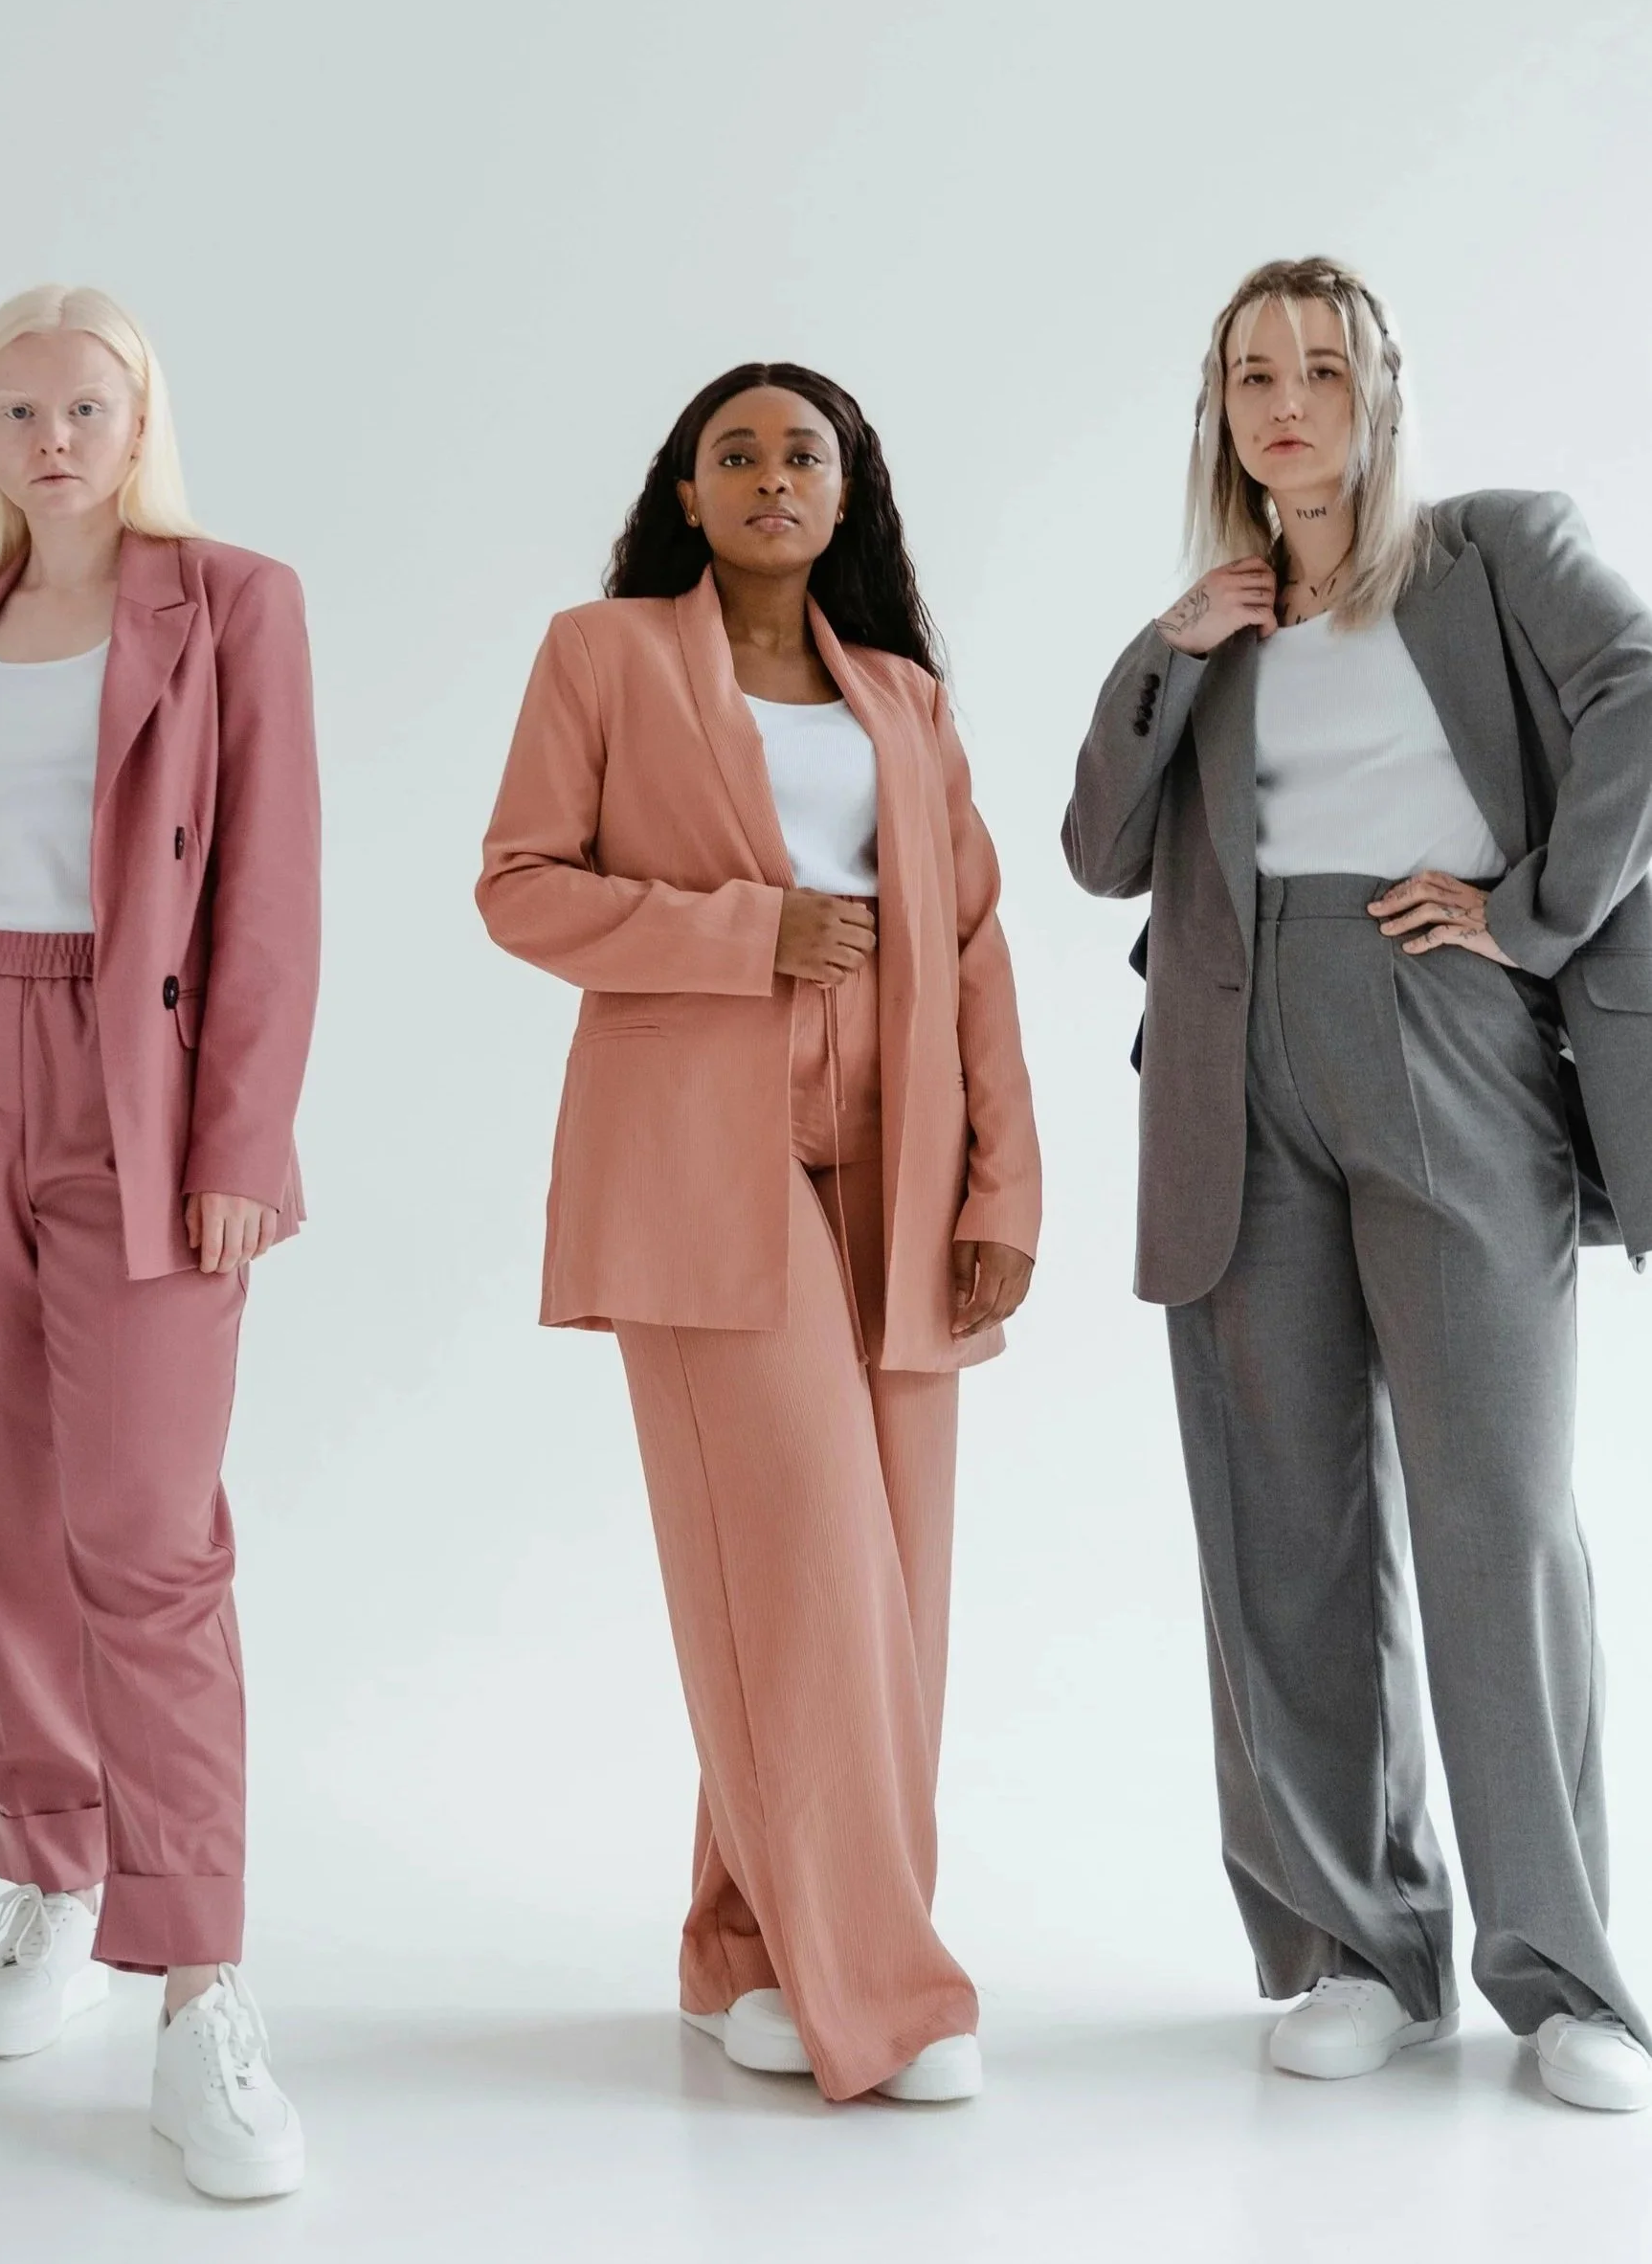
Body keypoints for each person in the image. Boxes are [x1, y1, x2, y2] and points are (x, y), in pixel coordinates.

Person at [1064, 256, 1652, 2113]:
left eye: (1322, 367)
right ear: (1219, 414)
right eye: (1253, 374)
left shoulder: (1492, 550)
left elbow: (1641, 690)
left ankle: (1563, 1975)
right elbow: (1095, 845)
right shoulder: (1215, 625)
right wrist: (1169, 645)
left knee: (1496, 1511)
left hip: (1442, 1026)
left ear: (1379, 392)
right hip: (1233, 1066)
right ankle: (1354, 1946)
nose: (1288, 402)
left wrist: (1535, 908)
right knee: (1283, 1525)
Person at [477, 362, 1039, 2102]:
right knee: (806, 1561)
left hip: (903, 1132)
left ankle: (749, 1948)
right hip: (696, 1146)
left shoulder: (904, 699)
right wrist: (750, 933)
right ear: (690, 492)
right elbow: (519, 886)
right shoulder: (602, 654)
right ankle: (885, 1993)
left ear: (846, 492)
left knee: (893, 1583)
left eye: (804, 453)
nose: (772, 476)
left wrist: (1003, 1187)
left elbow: (975, 945)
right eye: (737, 454)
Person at [0, 284, 318, 2200]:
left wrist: (240, 1140)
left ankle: (200, 1978)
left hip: (145, 1080)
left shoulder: (233, 602)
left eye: (85, 407)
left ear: (138, 418)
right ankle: (48, 1863)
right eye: (15, 410)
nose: (51, 440)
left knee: (148, 1529)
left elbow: (271, 887)